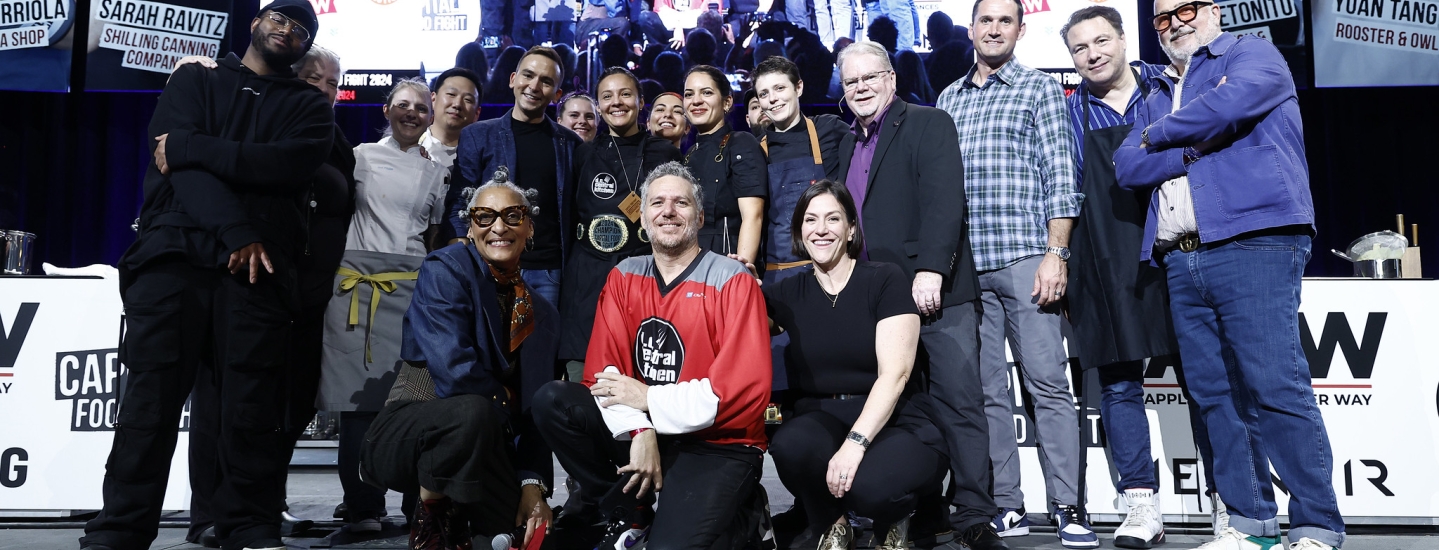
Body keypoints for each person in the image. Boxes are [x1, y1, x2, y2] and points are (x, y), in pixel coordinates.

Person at [80, 1, 332, 548]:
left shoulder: (310, 108)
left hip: (256, 272)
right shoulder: (194, 78)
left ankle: (248, 526)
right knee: (149, 405)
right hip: (176, 257)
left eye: (302, 29)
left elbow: (281, 166)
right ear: (255, 23)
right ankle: (119, 529)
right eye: (280, 18)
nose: (288, 30)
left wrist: (194, 147)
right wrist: (237, 228)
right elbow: (181, 173)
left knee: (251, 410)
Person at [1115, 0, 1345, 548]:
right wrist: (1188, 150)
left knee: (1274, 384)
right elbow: (1127, 166)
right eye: (1162, 18)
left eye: (1185, 9)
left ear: (1213, 10)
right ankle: (1249, 525)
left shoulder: (1252, 55)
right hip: (1179, 255)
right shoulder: (1152, 92)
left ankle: (1316, 525)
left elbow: (1227, 109)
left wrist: (1163, 136)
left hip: (1254, 240)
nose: (1175, 23)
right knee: (1216, 395)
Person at [166, 45, 358, 548]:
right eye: (312, 76)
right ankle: (210, 515)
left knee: (285, 407)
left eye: (332, 82)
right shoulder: (267, 127)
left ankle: (259, 506)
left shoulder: (335, 141)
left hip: (309, 292)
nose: (322, 87)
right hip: (250, 277)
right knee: (223, 401)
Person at [534, 161, 772, 549]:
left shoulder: (733, 280)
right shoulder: (625, 274)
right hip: (650, 430)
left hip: (719, 443)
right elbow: (602, 375)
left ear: (700, 216)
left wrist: (647, 399)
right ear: (642, 217)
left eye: (681, 203)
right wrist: (641, 429)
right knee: (554, 401)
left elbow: (739, 395)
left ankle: (745, 515)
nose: (668, 211)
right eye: (657, 202)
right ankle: (631, 509)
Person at [1059, 7, 1222, 548]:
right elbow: (1064, 190)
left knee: (1201, 380)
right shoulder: (1069, 113)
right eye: (1081, 49)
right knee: (1118, 382)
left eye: (1102, 41)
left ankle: (1229, 501)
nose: (1093, 54)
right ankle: (1139, 505)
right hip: (1104, 256)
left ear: (1124, 38)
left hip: (1174, 247)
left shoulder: (1167, 84)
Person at [933, 0, 1092, 544]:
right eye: (985, 20)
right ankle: (1006, 503)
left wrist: (1057, 253)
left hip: (1028, 257)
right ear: (971, 29)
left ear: (1021, 31)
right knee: (986, 392)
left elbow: (1062, 174)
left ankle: (1069, 506)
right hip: (967, 269)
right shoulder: (948, 99)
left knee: (1048, 385)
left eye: (1005, 20)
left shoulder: (1040, 88)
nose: (994, 28)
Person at [837, 40, 1003, 550]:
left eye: (870, 77)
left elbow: (943, 201)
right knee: (906, 411)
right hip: (879, 302)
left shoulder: (929, 122)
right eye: (851, 82)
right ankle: (927, 510)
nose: (861, 87)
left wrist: (932, 268)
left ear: (891, 78)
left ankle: (975, 513)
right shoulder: (846, 143)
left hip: (937, 292)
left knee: (958, 403)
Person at [360, 172, 561, 549]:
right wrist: (508, 408)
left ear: (530, 227)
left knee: (526, 534)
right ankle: (431, 513)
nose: (498, 226)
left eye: (512, 216)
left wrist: (533, 485)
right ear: (470, 228)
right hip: (409, 435)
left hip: (486, 441)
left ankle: (466, 521)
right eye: (484, 216)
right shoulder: (446, 269)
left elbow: (534, 411)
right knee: (472, 411)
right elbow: (456, 375)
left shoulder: (543, 313)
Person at [765, 180, 947, 550]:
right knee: (789, 446)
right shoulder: (785, 290)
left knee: (871, 488)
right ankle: (832, 524)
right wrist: (734, 276)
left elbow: (895, 375)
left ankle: (898, 516)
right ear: (800, 230)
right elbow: (732, 309)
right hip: (821, 415)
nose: (821, 229)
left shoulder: (884, 279)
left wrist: (855, 444)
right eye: (810, 219)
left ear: (850, 229)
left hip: (894, 418)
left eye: (833, 218)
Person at [316, 77, 450, 533]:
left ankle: (418, 506)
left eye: (421, 107)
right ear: (386, 110)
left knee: (412, 397)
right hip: (354, 285)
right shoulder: (359, 157)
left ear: (430, 117)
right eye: (403, 105)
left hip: (409, 286)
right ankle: (364, 508)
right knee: (357, 404)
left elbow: (430, 237)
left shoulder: (437, 172)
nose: (412, 113)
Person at [557, 67, 682, 382]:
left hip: (643, 272)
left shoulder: (664, 153)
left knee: (643, 363)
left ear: (641, 102)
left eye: (625, 94)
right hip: (586, 274)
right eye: (607, 96)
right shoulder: (582, 154)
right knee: (583, 369)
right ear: (598, 106)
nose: (617, 102)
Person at [750, 55, 854, 412]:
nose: (773, 99)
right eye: (764, 93)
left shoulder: (831, 131)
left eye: (780, 88)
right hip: (779, 279)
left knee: (832, 375)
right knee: (785, 383)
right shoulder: (754, 149)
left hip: (829, 274)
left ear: (798, 88)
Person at [448, 46, 582, 307]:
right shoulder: (478, 136)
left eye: (546, 81)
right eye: (528, 75)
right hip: (489, 264)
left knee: (540, 348)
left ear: (556, 94)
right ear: (513, 79)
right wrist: (463, 258)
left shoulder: (571, 144)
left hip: (549, 272)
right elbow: (458, 202)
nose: (534, 86)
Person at [681, 65, 767, 264]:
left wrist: (740, 273)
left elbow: (753, 216)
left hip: (726, 263)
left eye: (707, 93)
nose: (696, 101)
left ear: (727, 102)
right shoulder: (689, 155)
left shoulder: (740, 143)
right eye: (689, 94)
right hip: (688, 263)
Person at [421, 67, 483, 169]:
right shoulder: (408, 145)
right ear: (433, 99)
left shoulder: (482, 159)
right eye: (451, 94)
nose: (457, 104)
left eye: (467, 99)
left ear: (477, 113)